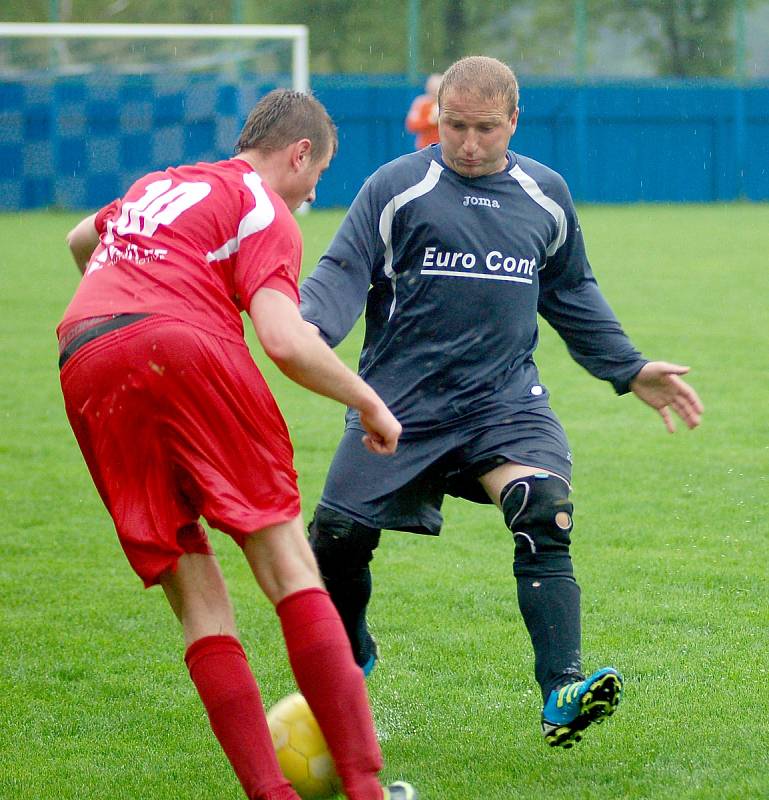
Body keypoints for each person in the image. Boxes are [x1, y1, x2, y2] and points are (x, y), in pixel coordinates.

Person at [300, 57, 704, 750]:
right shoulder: (397, 187)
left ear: (512, 121)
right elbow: (343, 269)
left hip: (502, 403)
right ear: (437, 118)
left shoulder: (545, 195)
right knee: (335, 541)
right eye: (454, 126)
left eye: (485, 128)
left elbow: (571, 289)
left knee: (544, 510)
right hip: (399, 408)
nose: (468, 142)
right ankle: (354, 652)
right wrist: (305, 329)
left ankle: (561, 692)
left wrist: (626, 366)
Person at [58, 89, 417, 800]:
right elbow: (283, 340)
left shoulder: (161, 183)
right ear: (299, 151)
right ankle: (367, 788)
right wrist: (369, 400)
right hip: (185, 348)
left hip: (85, 354)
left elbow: (79, 240)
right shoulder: (264, 206)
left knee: (198, 602)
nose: (315, 193)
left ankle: (269, 795)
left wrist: (131, 302)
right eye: (318, 175)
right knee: (289, 568)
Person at [404, 73, 442, 149]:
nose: (434, 90)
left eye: (437, 86)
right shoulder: (421, 103)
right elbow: (411, 125)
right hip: (425, 148)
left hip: (445, 148)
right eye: (432, 86)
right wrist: (430, 120)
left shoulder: (448, 103)